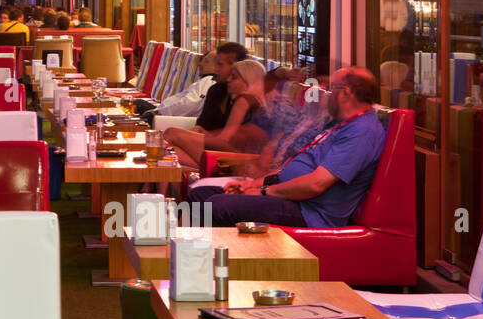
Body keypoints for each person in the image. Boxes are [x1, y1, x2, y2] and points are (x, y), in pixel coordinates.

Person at [186, 67, 387, 227]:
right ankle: (188, 258)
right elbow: (293, 167)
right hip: (290, 198)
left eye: (331, 89)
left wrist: (264, 191)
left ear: (346, 93)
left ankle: (207, 264)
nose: (327, 95)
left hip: (309, 212)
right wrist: (253, 184)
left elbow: (315, 184)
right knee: (199, 196)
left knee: (216, 205)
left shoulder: (362, 132)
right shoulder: (338, 124)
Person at [164, 56, 268, 172]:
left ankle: (148, 186)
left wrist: (206, 136)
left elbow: (225, 139)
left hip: (237, 159)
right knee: (170, 153)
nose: (228, 80)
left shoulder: (244, 100)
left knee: (171, 133)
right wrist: (206, 134)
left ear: (248, 80)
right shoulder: (256, 101)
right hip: (244, 158)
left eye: (234, 77)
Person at [139, 51, 218, 123]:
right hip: (165, 113)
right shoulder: (207, 81)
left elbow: (189, 104)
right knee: (138, 104)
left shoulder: (209, 80)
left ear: (217, 67)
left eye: (206, 61)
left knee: (137, 105)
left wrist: (159, 113)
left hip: (168, 119)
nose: (200, 64)